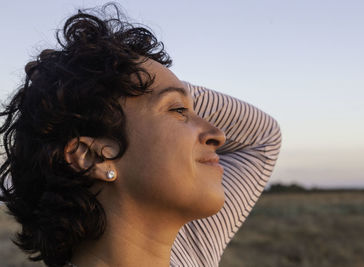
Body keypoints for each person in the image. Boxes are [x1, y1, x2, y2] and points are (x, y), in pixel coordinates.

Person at [0, 4, 281, 267]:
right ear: (90, 156)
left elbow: (262, 136)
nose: (218, 134)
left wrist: (106, 81)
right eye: (179, 110)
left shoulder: (190, 248)